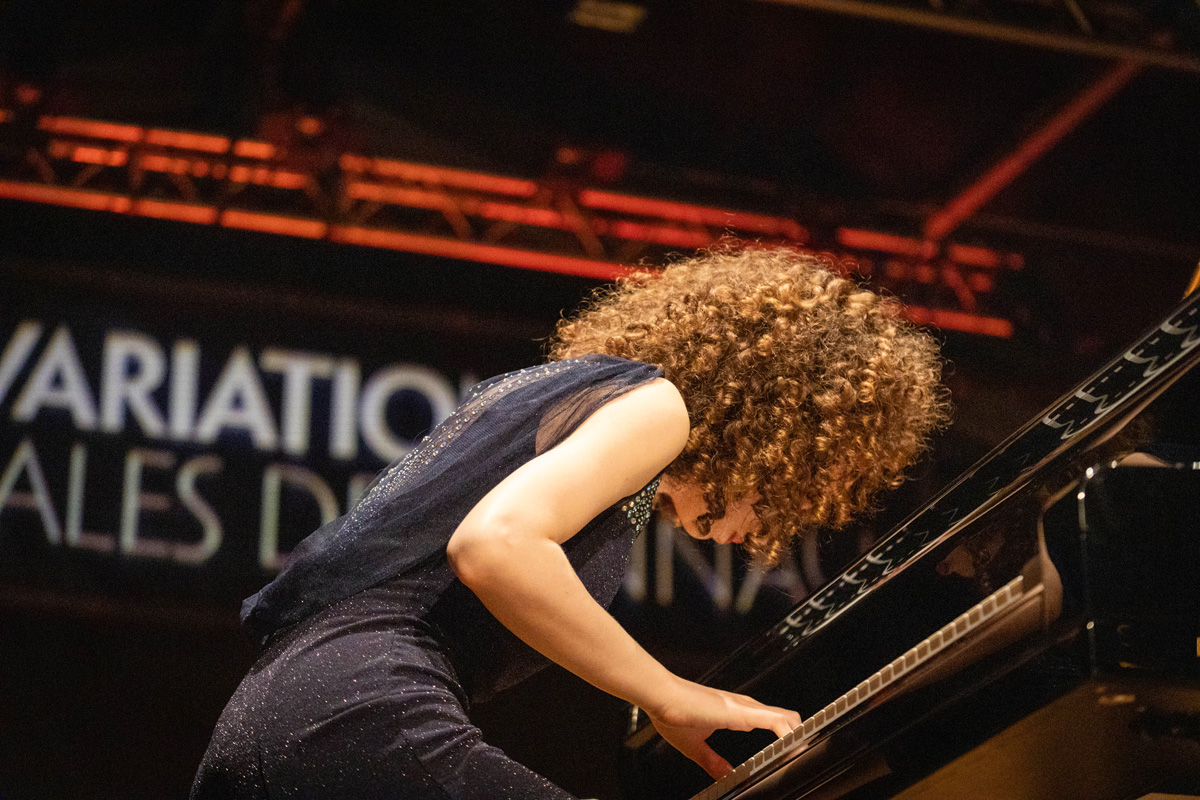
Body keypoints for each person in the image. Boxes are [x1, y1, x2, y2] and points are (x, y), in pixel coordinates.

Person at [191, 246, 948, 799]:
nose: (758, 532)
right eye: (784, 494)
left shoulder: (570, 394)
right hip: (355, 713)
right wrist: (668, 692)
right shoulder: (658, 404)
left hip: (271, 717)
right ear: (774, 427)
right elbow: (497, 544)